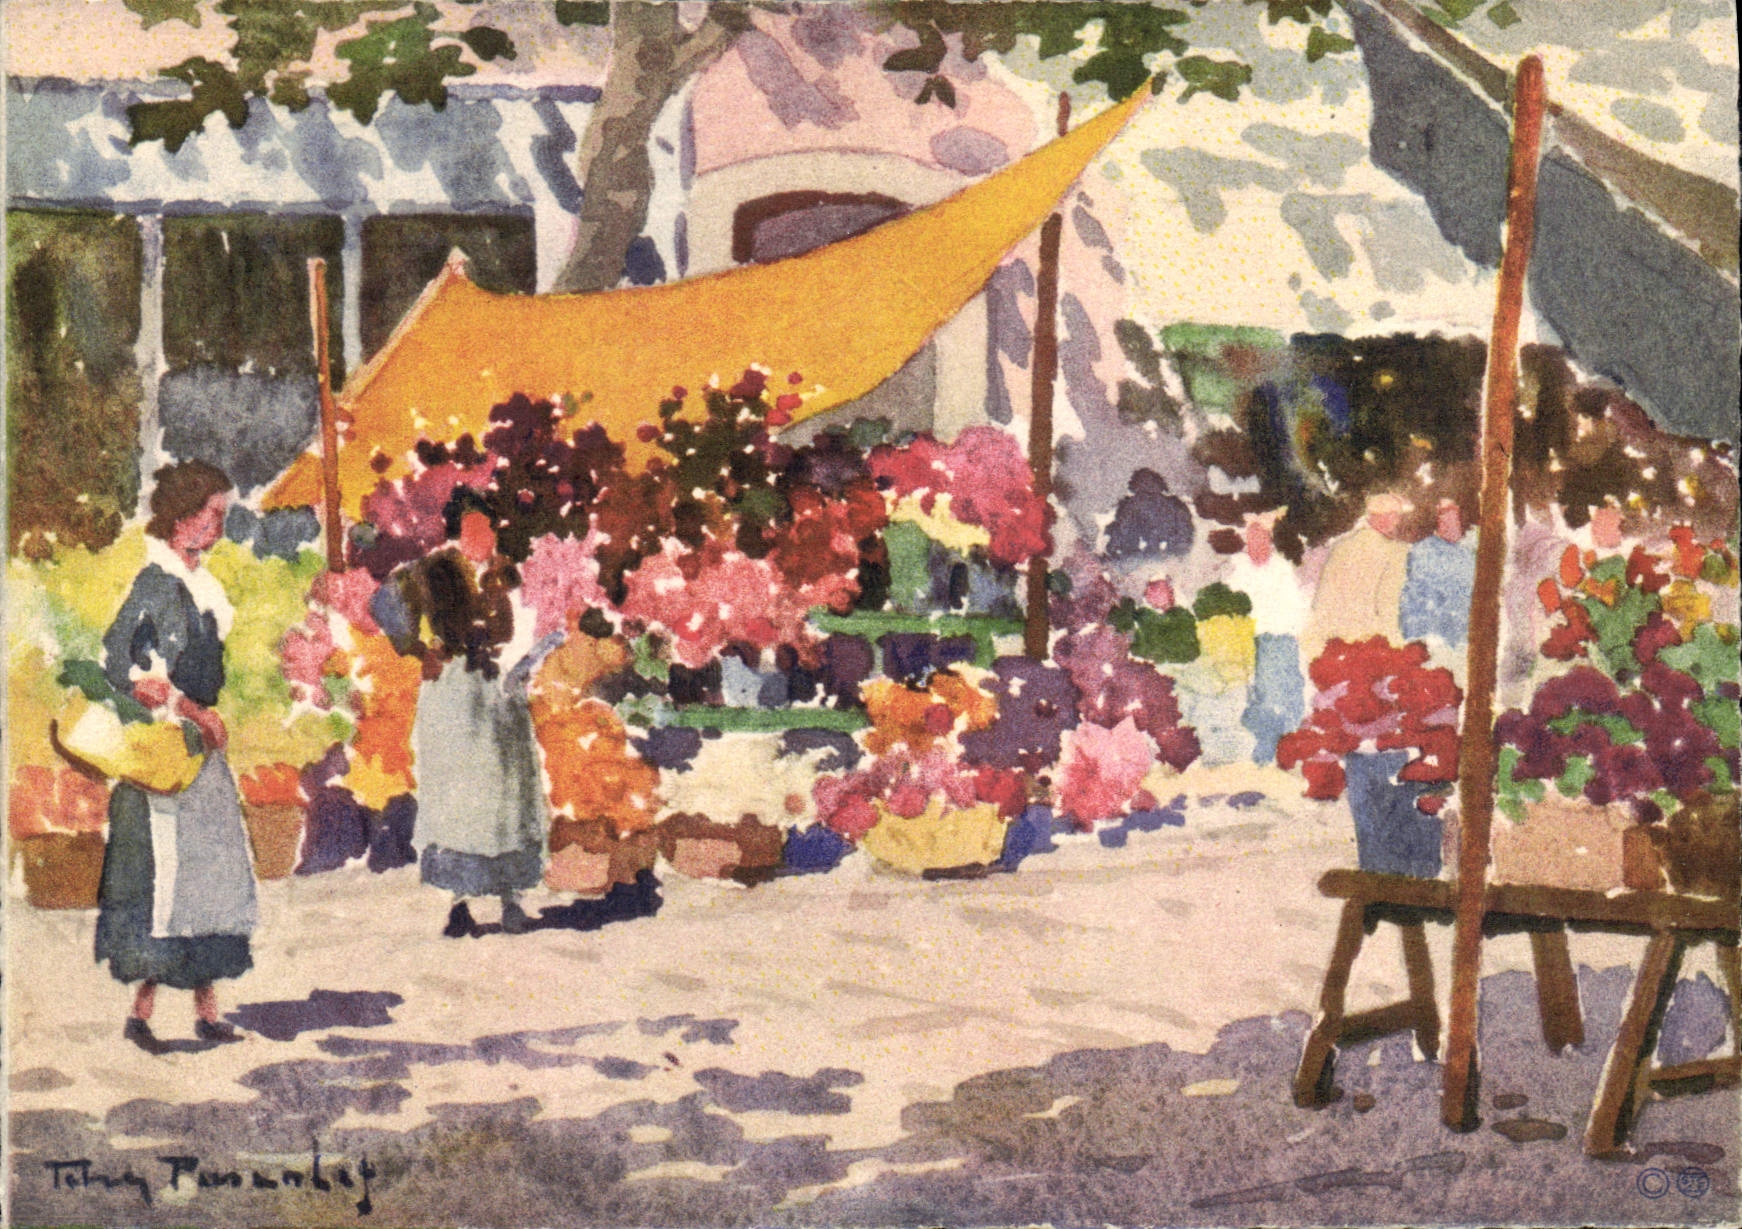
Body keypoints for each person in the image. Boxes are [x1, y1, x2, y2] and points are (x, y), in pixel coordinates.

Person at [95, 460, 255, 1054]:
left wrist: (204, 717)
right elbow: (129, 669)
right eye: (213, 514)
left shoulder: (196, 582)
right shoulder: (156, 583)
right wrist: (194, 711)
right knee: (166, 884)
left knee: (208, 882)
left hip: (198, 754)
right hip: (164, 756)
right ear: (184, 515)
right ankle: (142, 1014)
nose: (219, 526)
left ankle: (207, 1010)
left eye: (222, 515)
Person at [390, 513, 561, 938]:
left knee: (483, 793)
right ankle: (483, 901)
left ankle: (486, 900)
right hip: (467, 695)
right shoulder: (450, 577)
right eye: (475, 528)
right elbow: (388, 605)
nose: (481, 538)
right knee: (479, 795)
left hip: (475, 697)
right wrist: (419, 651)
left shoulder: (490, 577)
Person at [1226, 510, 1309, 764]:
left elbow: (1294, 607)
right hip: (1248, 639)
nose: (1257, 543)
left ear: (1270, 540)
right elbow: (1231, 606)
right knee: (1256, 696)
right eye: (1252, 537)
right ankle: (1263, 750)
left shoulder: (1281, 568)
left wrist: (1289, 634)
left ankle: (1288, 748)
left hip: (1278, 638)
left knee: (1284, 693)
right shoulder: (1236, 569)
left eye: (1262, 537)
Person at [1303, 492, 1413, 663]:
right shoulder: (1396, 551)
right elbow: (1387, 604)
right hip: (1371, 642)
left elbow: (1323, 599)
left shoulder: (1341, 546)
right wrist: (1397, 647)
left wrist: (1315, 644)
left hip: (1335, 641)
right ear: (1385, 517)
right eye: (1396, 515)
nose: (1398, 521)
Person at [1401, 498, 1477, 668]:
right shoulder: (1422, 550)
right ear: (1437, 521)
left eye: (1454, 517)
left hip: (1464, 641)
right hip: (1432, 638)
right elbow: (1420, 596)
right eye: (1445, 516)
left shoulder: (1466, 554)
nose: (1451, 522)